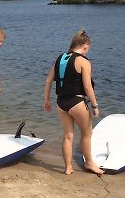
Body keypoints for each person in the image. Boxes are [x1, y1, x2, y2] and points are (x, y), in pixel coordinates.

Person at [44, 29, 103, 175]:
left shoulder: (60, 58)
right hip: (76, 102)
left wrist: (46, 100)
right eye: (88, 49)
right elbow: (88, 86)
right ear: (85, 45)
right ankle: (89, 163)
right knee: (86, 133)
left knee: (68, 135)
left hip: (61, 102)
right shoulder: (83, 61)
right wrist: (95, 105)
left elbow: (48, 80)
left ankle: (68, 168)